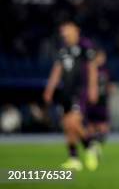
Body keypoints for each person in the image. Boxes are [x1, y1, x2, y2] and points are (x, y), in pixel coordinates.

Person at [43, 21, 99, 171]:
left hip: (79, 91)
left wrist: (93, 88)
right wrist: (50, 89)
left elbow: (93, 67)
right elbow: (57, 70)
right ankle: (74, 158)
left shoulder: (84, 46)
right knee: (68, 126)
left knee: (74, 122)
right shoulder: (63, 50)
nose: (65, 34)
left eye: (67, 30)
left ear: (76, 30)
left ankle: (89, 146)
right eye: (63, 32)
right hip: (65, 92)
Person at [86, 49, 113, 157]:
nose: (102, 59)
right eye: (100, 57)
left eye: (103, 57)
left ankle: (97, 144)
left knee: (103, 126)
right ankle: (93, 145)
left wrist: (109, 90)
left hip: (102, 101)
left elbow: (111, 85)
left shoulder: (106, 70)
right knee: (91, 125)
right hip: (91, 102)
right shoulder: (90, 70)